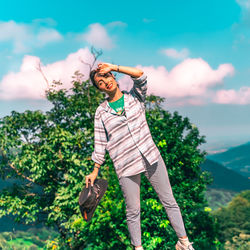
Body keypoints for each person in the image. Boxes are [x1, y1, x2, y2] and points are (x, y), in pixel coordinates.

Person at [85, 62, 195, 250]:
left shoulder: (135, 97)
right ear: (99, 89)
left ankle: (183, 243)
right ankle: (138, 248)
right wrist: (95, 171)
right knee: (133, 210)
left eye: (107, 77)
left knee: (169, 200)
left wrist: (114, 67)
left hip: (150, 155)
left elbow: (140, 75)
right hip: (125, 164)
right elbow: (100, 144)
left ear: (114, 77)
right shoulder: (101, 112)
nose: (106, 82)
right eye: (100, 82)